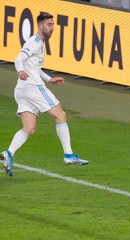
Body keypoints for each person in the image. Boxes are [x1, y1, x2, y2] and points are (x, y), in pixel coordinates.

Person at [0, 13, 89, 177]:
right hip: (33, 87)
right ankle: (69, 155)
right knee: (61, 115)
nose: (52, 27)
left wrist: (49, 79)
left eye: (53, 24)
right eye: (49, 24)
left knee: (29, 128)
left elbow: (33, 66)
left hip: (21, 90)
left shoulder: (39, 43)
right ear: (41, 26)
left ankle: (8, 154)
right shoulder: (34, 42)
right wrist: (20, 71)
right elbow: (18, 59)